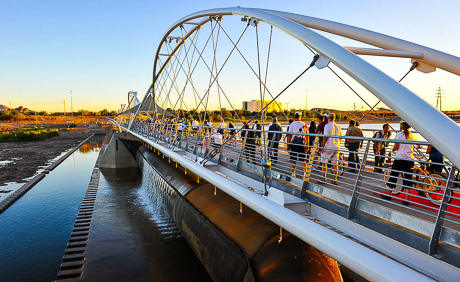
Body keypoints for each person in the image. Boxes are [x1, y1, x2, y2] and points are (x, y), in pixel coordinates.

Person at [383, 121, 421, 205]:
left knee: (394, 176)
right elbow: (419, 145)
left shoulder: (398, 134)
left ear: (401, 126)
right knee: (408, 178)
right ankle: (406, 199)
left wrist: (392, 150)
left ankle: (389, 194)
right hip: (409, 159)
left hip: (400, 158)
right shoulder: (412, 135)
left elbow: (396, 146)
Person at [320, 113, 343, 184]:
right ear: (334, 118)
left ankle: (324, 178)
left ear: (328, 119)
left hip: (328, 146)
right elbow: (340, 137)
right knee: (334, 163)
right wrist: (337, 142)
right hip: (336, 147)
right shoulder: (338, 126)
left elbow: (325, 137)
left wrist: (323, 147)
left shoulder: (327, 126)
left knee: (324, 162)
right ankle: (334, 179)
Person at [287, 112, 307, 177]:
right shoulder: (304, 124)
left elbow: (290, 135)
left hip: (294, 143)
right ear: (301, 116)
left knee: (293, 159)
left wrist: (288, 145)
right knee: (303, 159)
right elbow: (307, 135)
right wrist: (307, 145)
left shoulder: (292, 124)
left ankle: (293, 173)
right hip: (302, 143)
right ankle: (305, 173)